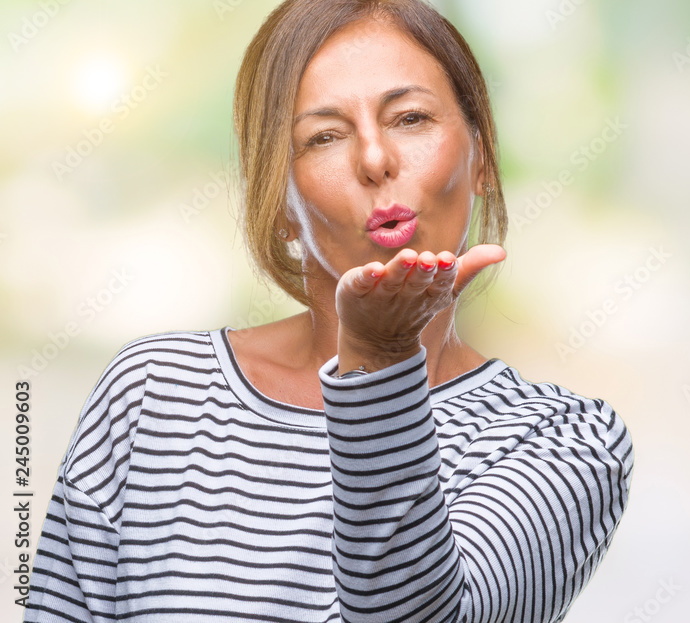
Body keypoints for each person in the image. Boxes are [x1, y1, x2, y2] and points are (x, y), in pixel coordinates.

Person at [23, 1, 634, 621]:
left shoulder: (566, 441)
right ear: (278, 200)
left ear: (482, 156)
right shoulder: (153, 394)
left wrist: (379, 361)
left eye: (411, 118)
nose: (374, 159)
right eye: (324, 136)